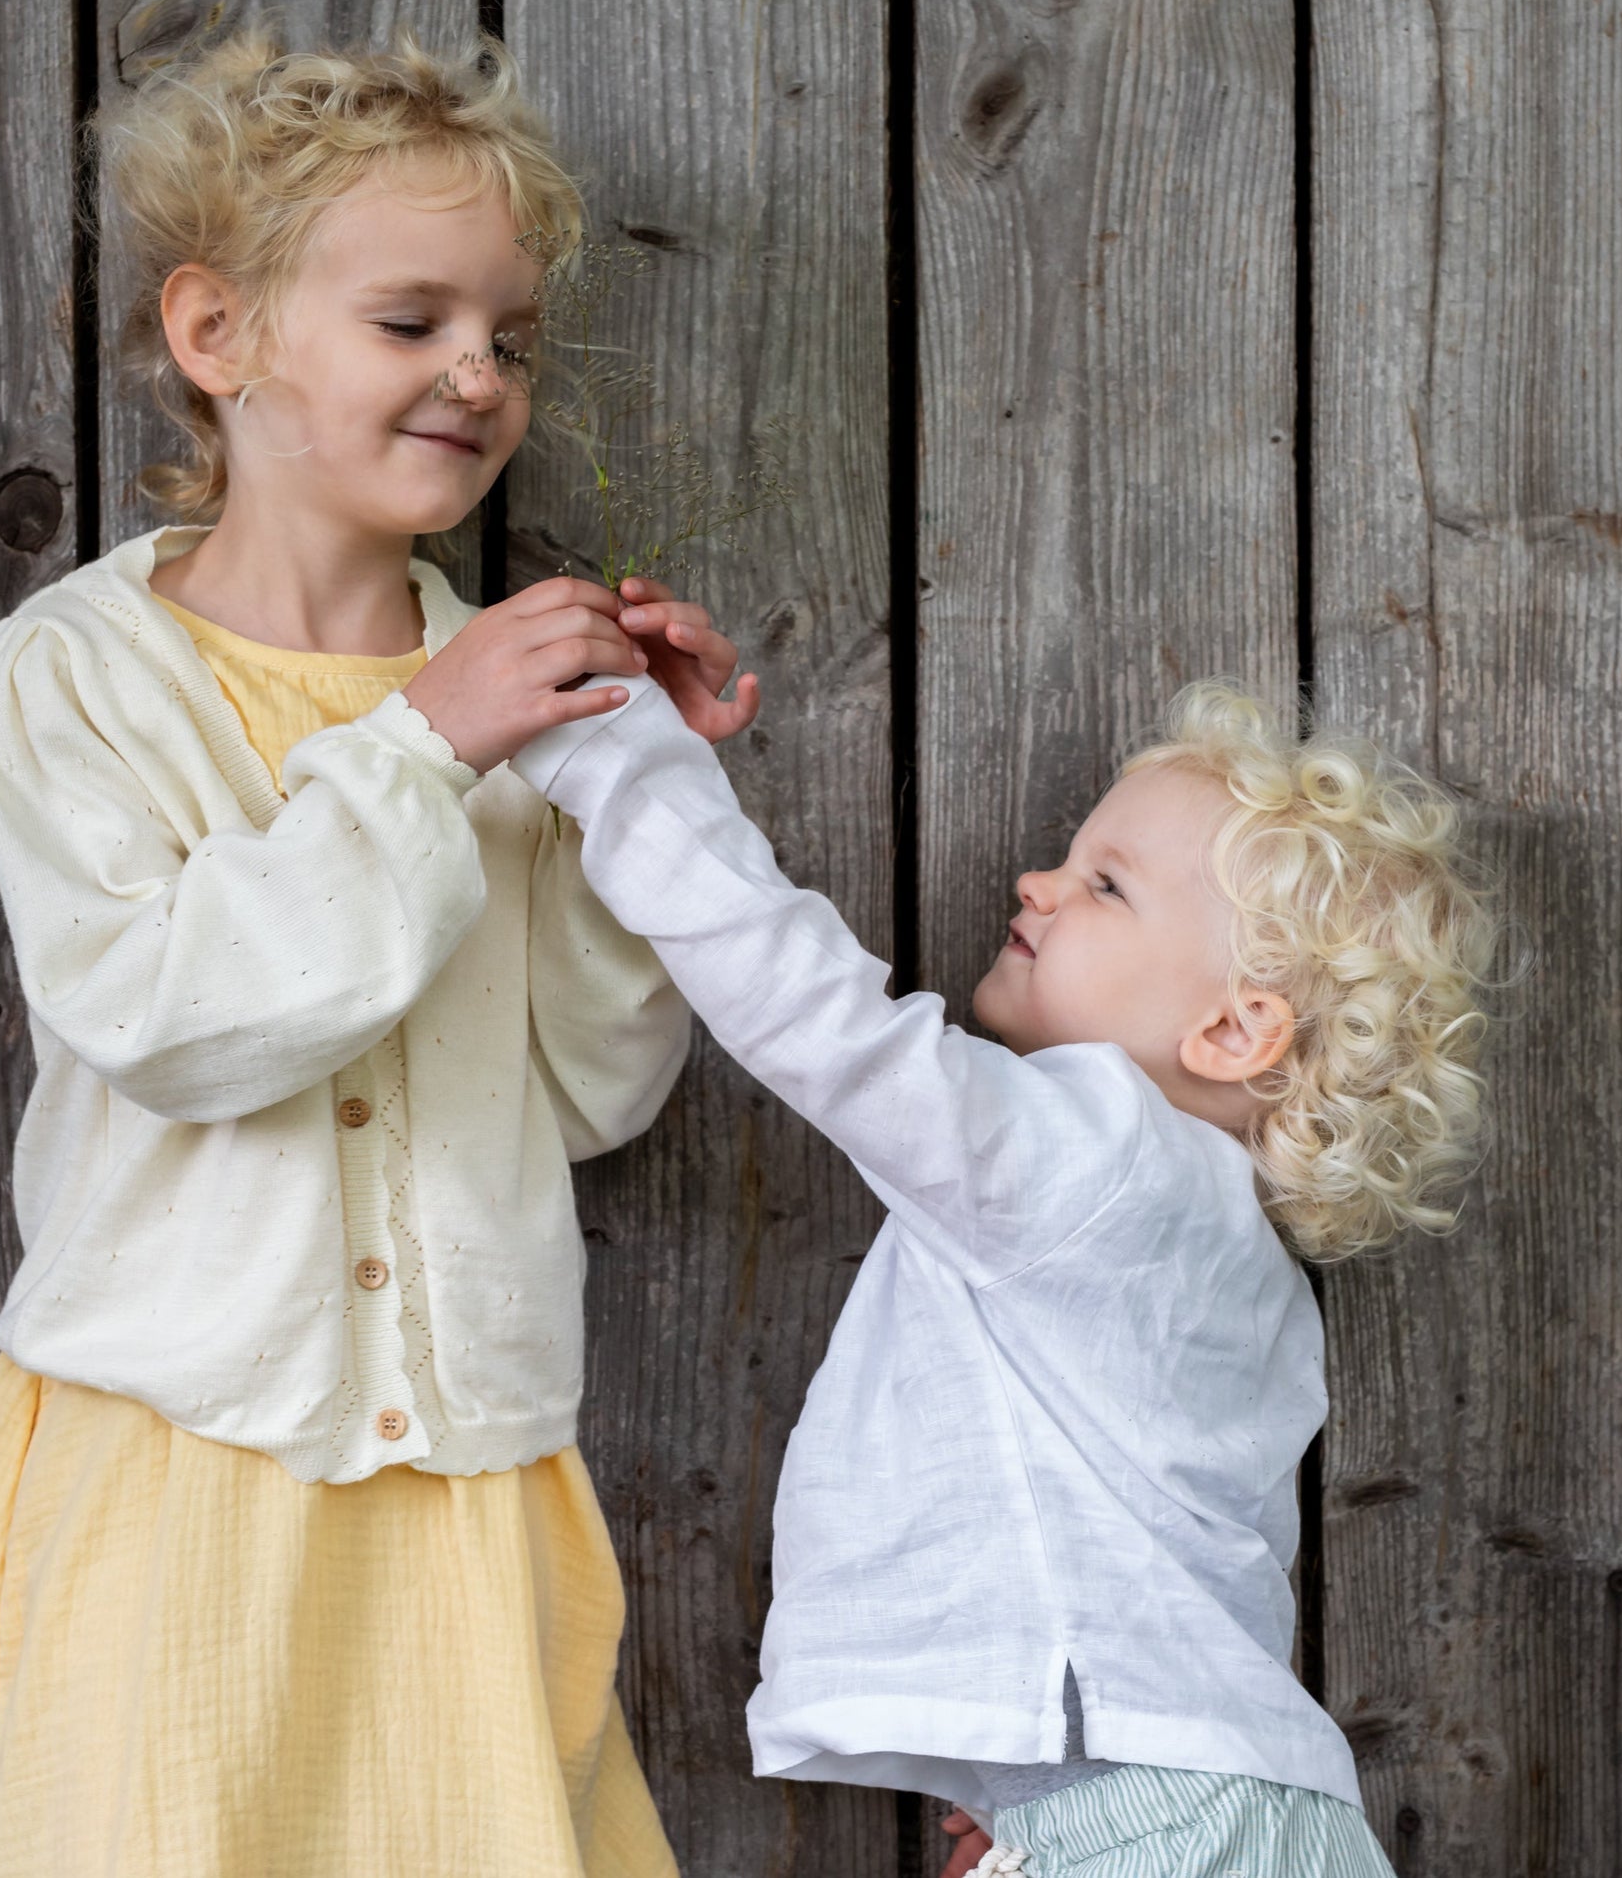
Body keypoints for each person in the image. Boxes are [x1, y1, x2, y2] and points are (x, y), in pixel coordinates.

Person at [0, 25, 753, 1876]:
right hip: (173, 1477)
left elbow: (584, 1088)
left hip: (465, 1481)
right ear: (220, 337)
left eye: (509, 339)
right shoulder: (73, 677)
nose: (478, 373)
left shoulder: (517, 701)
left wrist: (645, 814)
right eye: (412, 321)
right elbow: (172, 1021)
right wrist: (426, 742)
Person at [508, 666, 1507, 1877]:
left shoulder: (1088, 1152)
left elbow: (821, 1021)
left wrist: (609, 754)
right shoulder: (1242, 1265)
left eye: (1103, 883)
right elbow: (1197, 1577)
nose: (1038, 881)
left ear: (1233, 1030)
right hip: (1239, 1807)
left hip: (1166, 1824)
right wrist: (1047, 1767)